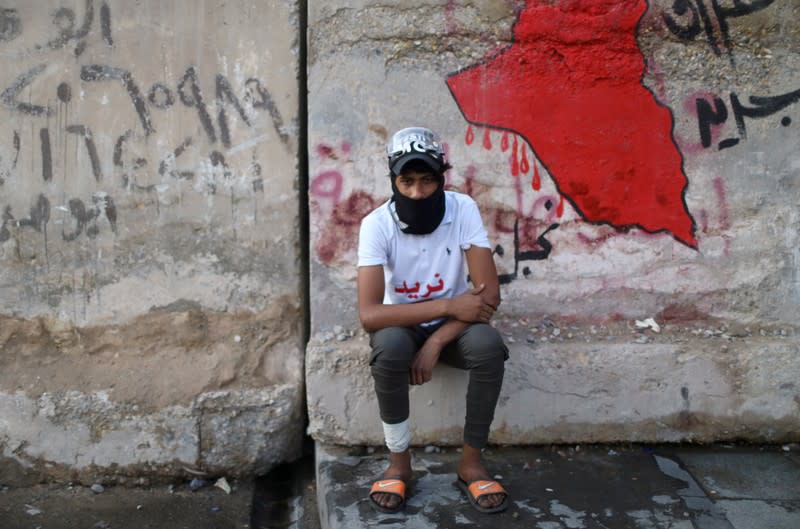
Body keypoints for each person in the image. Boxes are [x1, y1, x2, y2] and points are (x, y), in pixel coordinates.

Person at [357, 126, 509, 514]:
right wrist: (446, 307)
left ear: (442, 178)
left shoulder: (462, 210)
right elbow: (370, 314)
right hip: (405, 323)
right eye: (406, 181)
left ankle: (472, 464)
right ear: (394, 180)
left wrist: (437, 340)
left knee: (489, 347)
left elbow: (488, 294)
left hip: (456, 328)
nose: (417, 192)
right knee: (388, 348)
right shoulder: (377, 224)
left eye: (427, 181)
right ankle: (399, 464)